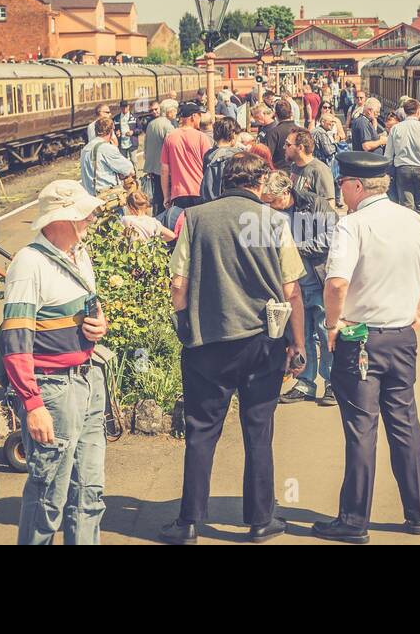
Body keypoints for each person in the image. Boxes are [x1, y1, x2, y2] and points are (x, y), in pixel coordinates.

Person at [159, 152, 307, 545]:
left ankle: (188, 523)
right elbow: (292, 290)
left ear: (224, 182)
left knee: (201, 432)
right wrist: (296, 343)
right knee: (258, 431)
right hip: (264, 342)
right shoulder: (274, 221)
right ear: (259, 185)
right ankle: (260, 521)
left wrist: (185, 325)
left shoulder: (195, 219)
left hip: (207, 342)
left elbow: (178, 283)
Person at [313, 151, 420, 544]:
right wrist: (418, 310)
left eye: (343, 185)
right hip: (402, 338)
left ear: (357, 186)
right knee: (405, 423)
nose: (341, 192)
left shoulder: (352, 226)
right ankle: (418, 513)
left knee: (361, 429)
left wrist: (332, 325)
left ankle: (354, 521)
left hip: (360, 339)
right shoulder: (412, 219)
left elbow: (337, 283)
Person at [3, 181, 112, 545]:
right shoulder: (29, 263)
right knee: (49, 495)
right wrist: (33, 405)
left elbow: (90, 310)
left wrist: (100, 323)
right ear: (60, 218)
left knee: (89, 493)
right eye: (84, 213)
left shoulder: (79, 254)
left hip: (89, 377)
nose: (91, 217)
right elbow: (15, 343)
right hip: (53, 388)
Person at [260, 171, 338, 407]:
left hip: (316, 279)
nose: (270, 205)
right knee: (299, 334)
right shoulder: (266, 213)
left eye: (273, 200)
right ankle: (305, 380)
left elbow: (332, 235)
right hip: (288, 285)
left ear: (286, 192)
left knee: (325, 332)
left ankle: (333, 382)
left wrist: (297, 248)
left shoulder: (314, 203)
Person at [386, 98, 420, 218]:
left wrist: (389, 173)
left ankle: (409, 233)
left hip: (403, 169)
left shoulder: (395, 129)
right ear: (418, 112)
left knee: (406, 206)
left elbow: (388, 156)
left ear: (405, 112)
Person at [160, 102, 214, 210]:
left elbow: (164, 169)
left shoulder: (170, 138)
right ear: (193, 117)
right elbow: (209, 166)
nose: (200, 120)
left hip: (179, 194)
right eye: (199, 116)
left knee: (183, 225)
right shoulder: (202, 137)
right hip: (199, 191)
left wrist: (166, 196)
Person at [80, 116, 136, 195]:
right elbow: (130, 170)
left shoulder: (85, 149)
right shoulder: (107, 148)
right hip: (107, 197)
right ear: (111, 131)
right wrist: (115, 147)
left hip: (91, 197)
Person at [143, 99, 178, 215]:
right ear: (169, 112)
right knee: (165, 197)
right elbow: (172, 150)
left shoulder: (151, 124)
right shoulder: (168, 127)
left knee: (157, 195)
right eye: (174, 111)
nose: (176, 113)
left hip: (152, 167)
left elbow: (146, 145)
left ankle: (157, 215)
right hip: (164, 169)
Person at [199, 116, 244, 203]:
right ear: (233, 134)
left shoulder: (208, 155)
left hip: (210, 201)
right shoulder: (236, 155)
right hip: (230, 201)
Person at [285, 127, 335, 203]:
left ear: (300, 148)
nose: (284, 147)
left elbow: (329, 207)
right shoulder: (294, 166)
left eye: (288, 144)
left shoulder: (320, 170)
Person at [264, 100, 300, 170]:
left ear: (276, 115)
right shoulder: (301, 131)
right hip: (299, 171)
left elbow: (267, 156)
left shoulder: (273, 133)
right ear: (291, 113)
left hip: (280, 173)